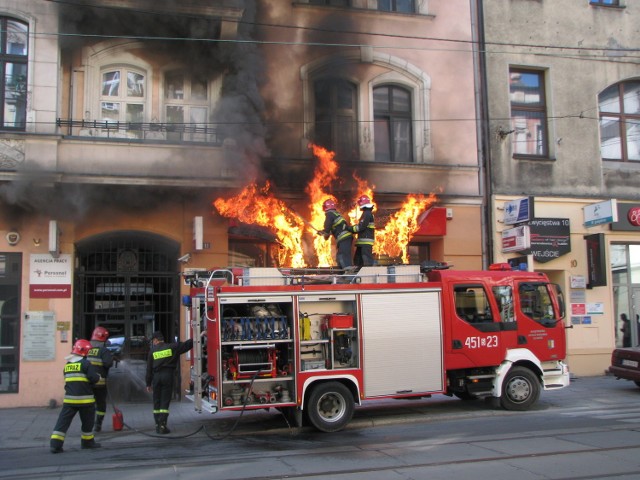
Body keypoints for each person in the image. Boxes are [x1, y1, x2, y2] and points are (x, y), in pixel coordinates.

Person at [145, 330, 204, 434]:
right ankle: (163, 426)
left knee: (157, 401)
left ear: (155, 340)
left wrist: (148, 384)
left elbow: (148, 370)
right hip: (167, 376)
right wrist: (201, 335)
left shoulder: (152, 352)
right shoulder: (172, 347)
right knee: (165, 401)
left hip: (156, 377)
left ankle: (157, 425)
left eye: (153, 341)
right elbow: (187, 345)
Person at [50, 339, 102, 453]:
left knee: (62, 422)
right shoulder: (86, 364)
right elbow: (93, 378)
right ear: (84, 351)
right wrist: (98, 377)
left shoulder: (67, 365)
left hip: (69, 400)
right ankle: (87, 442)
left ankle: (55, 444)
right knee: (87, 422)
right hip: (85, 401)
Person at [87, 326, 113, 432]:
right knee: (101, 404)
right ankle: (98, 424)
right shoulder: (103, 350)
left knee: (89, 404)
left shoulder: (87, 348)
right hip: (100, 384)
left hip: (88, 383)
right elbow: (108, 363)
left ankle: (88, 424)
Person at [318, 198, 353, 269]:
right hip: (345, 238)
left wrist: (325, 231)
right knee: (339, 256)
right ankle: (342, 273)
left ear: (325, 207)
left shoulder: (329, 214)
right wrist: (324, 233)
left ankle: (349, 273)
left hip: (344, 237)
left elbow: (327, 226)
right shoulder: (335, 214)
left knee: (343, 256)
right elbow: (331, 231)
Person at [351, 194, 376, 267]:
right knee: (358, 260)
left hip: (365, 242)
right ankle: (358, 274)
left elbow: (362, 227)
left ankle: (368, 275)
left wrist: (350, 229)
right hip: (362, 242)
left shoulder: (367, 214)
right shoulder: (366, 213)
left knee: (366, 260)